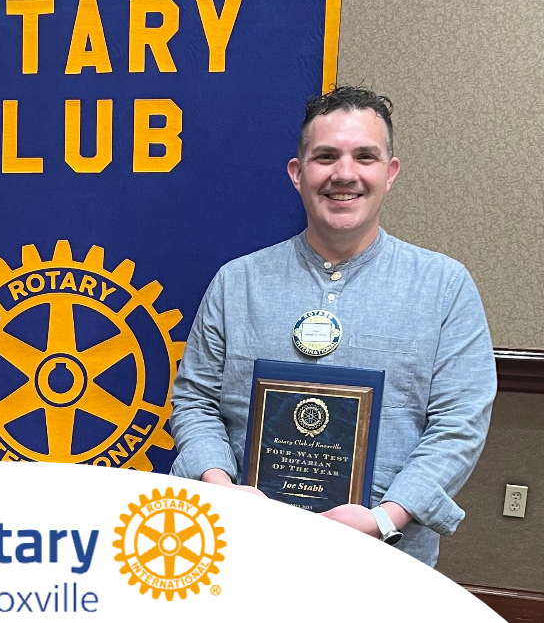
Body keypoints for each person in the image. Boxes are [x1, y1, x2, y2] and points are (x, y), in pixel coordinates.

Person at [168, 86, 495, 566]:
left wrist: (387, 517)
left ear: (390, 172)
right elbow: (194, 400)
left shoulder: (444, 286)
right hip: (249, 549)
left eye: (365, 156)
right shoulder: (237, 283)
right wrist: (222, 490)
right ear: (298, 174)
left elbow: (459, 423)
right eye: (326, 157)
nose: (345, 174)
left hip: (387, 558)